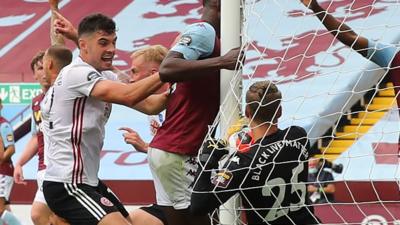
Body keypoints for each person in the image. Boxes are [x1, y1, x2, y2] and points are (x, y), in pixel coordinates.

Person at [41, 13, 165, 225]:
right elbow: (130, 94)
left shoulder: (101, 75)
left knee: (132, 221)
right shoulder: (77, 74)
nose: (112, 49)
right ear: (84, 45)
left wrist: (186, 85)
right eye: (103, 43)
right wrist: (171, 71)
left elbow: (150, 103)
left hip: (88, 181)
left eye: (114, 42)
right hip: (67, 184)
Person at [147, 0, 242, 224]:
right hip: (179, 150)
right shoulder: (203, 31)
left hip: (170, 148)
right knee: (208, 219)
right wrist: (222, 62)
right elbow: (167, 68)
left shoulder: (214, 39)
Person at [190, 81, 320, 225]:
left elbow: (198, 206)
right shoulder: (299, 135)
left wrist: (207, 159)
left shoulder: (243, 162)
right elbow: (274, 152)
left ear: (247, 113)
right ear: (280, 111)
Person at [300, 0, 400, 138]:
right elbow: (350, 37)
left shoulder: (394, 55)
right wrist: (316, 8)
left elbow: (350, 37)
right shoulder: (394, 56)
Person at [120, 45, 169, 153]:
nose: (131, 80)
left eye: (134, 72)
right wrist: (146, 147)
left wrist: (145, 146)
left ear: (154, 74)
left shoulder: (180, 99)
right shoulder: (151, 101)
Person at [0, 98, 22, 225]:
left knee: (1, 210)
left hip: (3, 171)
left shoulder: (4, 125)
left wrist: (2, 159)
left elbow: (11, 149)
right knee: (4, 210)